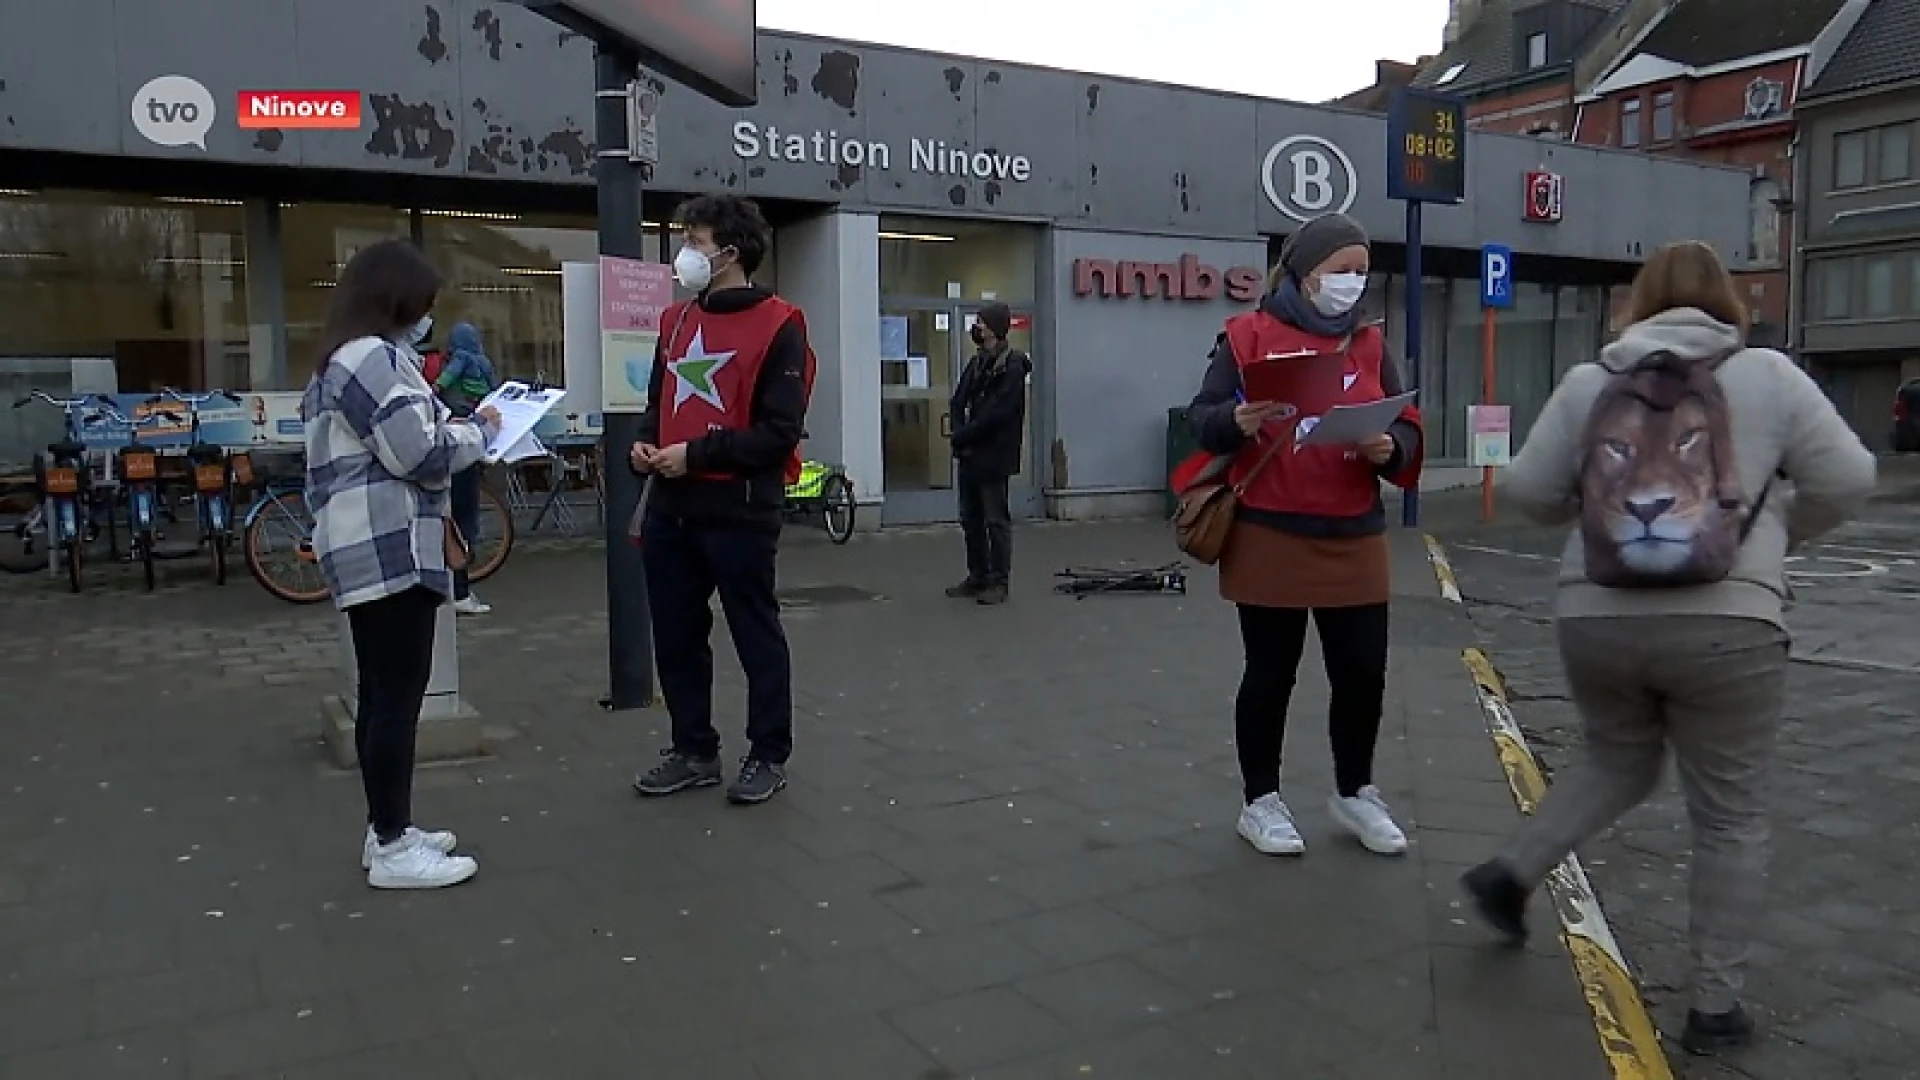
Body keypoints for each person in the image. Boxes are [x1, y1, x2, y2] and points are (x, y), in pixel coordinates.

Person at [1459, 241, 1876, 1055]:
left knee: (1618, 759)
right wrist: (1774, 535)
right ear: (1728, 304)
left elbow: (1527, 494)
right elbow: (1851, 477)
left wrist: (1596, 507)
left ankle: (1511, 871)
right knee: (1729, 814)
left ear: (1639, 304)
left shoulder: (1590, 384)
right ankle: (1715, 1006)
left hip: (1597, 619)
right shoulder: (1768, 376)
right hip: (1730, 626)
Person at [1184, 211, 1423, 859]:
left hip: (1354, 533)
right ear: (1302, 275)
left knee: (1362, 673)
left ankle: (1355, 790)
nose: (1353, 283)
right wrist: (1235, 419)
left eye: (1361, 272)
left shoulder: (1371, 345)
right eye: (1340, 272)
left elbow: (1408, 425)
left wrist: (1389, 446)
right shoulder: (1246, 337)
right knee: (1270, 673)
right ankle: (1260, 801)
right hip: (1270, 531)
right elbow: (1201, 422)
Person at [302, 239, 502, 890]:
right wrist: (483, 432)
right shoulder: (374, 359)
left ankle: (385, 826)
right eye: (423, 302)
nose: (427, 314)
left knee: (382, 695)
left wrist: (461, 426)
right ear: (396, 298)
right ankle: (393, 848)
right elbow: (416, 452)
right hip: (388, 545)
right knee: (395, 698)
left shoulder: (348, 359)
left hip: (368, 542)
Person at [628, 194, 815, 806]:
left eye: (696, 241)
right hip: (670, 510)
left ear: (732, 253)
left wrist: (696, 456)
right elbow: (657, 405)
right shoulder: (675, 321)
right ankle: (693, 749)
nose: (685, 253)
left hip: (740, 512)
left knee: (755, 635)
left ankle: (767, 753)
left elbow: (777, 433)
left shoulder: (782, 324)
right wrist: (644, 444)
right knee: (677, 636)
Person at [944, 302, 1031, 605]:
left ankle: (998, 581)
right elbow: (958, 401)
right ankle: (977, 575)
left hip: (994, 456)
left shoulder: (1013, 367)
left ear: (995, 328)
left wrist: (964, 435)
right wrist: (959, 434)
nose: (976, 327)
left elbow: (997, 414)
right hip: (970, 454)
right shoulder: (977, 362)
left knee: (995, 519)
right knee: (970, 519)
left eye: (981, 322)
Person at [434, 321, 501, 616]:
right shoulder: (483, 360)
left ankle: (453, 588)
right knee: (463, 515)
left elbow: (444, 381)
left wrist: (436, 388)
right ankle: (458, 590)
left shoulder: (458, 358)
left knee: (453, 514)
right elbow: (495, 386)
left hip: (458, 424)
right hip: (474, 420)